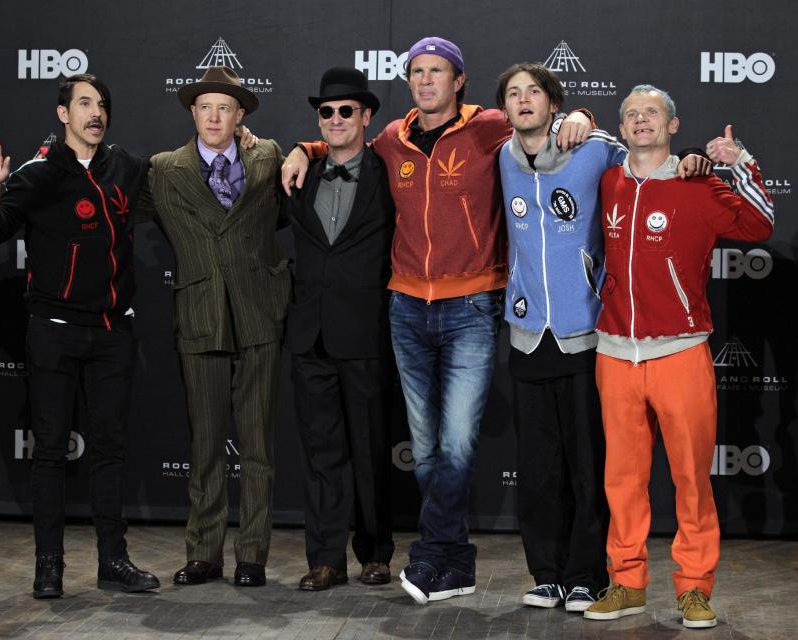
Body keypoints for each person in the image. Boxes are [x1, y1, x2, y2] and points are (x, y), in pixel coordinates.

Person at [282, 37, 594, 605]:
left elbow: (540, 118)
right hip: (405, 308)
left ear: (458, 82)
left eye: (437, 72)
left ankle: (435, 554)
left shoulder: (490, 125)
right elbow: (341, 141)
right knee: (424, 450)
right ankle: (453, 563)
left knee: (455, 444)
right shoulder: (390, 138)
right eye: (417, 72)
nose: (425, 81)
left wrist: (579, 114)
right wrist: (305, 148)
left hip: (471, 307)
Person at [497, 64, 709, 613]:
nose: (523, 102)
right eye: (513, 95)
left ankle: (589, 575)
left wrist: (586, 119)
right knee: (539, 469)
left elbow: (645, 161)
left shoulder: (595, 148)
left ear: (553, 103)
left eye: (534, 93)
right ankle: (547, 573)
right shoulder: (501, 154)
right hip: (526, 329)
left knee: (593, 468)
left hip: (588, 330)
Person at [584, 85, 774, 628]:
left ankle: (694, 588)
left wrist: (741, 164)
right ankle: (627, 582)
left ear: (672, 125)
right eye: (632, 115)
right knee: (622, 479)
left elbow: (759, 226)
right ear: (621, 131)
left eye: (653, 114)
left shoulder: (698, 182)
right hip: (615, 351)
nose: (641, 121)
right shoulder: (606, 181)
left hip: (681, 351)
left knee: (692, 479)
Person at [0, 73, 159, 598]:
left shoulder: (126, 167)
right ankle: (48, 566)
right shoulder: (37, 172)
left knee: (110, 450)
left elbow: (186, 178)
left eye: (101, 105)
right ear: (62, 115)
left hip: (114, 332)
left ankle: (112, 562)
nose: (96, 113)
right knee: (50, 451)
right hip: (53, 330)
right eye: (84, 104)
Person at [140, 66, 289, 588]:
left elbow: (308, 167)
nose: (214, 116)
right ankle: (203, 552)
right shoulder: (163, 169)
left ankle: (252, 554)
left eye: (225, 107)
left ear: (240, 114)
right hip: (201, 315)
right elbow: (113, 207)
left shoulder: (267, 156)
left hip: (257, 315)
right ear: (192, 113)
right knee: (204, 444)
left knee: (257, 447)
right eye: (205, 107)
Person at [282, 67, 397, 591]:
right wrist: (302, 150)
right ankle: (324, 558)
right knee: (321, 451)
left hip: (365, 332)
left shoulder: (390, 171)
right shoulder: (297, 173)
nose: (334, 120)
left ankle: (374, 553)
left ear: (366, 116)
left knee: (371, 451)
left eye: (345, 111)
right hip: (309, 335)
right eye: (325, 113)